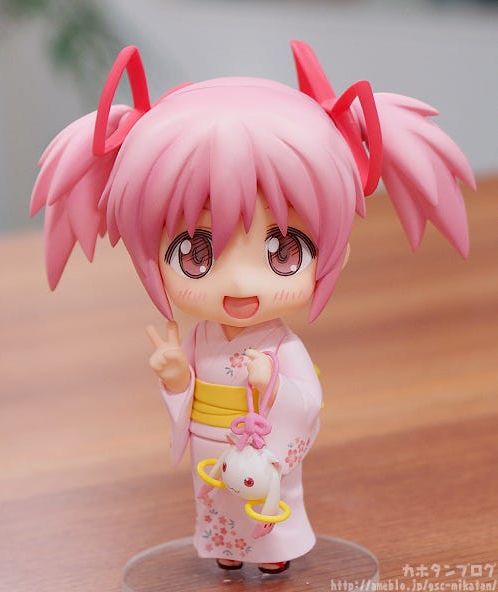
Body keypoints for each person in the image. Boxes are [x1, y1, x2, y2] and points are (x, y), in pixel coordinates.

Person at [31, 41, 474, 573]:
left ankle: (273, 556)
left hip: (263, 450)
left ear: (336, 252)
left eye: (283, 252)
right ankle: (224, 553)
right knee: (217, 506)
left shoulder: (282, 348)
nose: (240, 282)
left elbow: (306, 403)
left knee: (267, 506)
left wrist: (274, 383)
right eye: (195, 254)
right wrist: (177, 377)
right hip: (211, 448)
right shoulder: (199, 341)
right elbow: (185, 388)